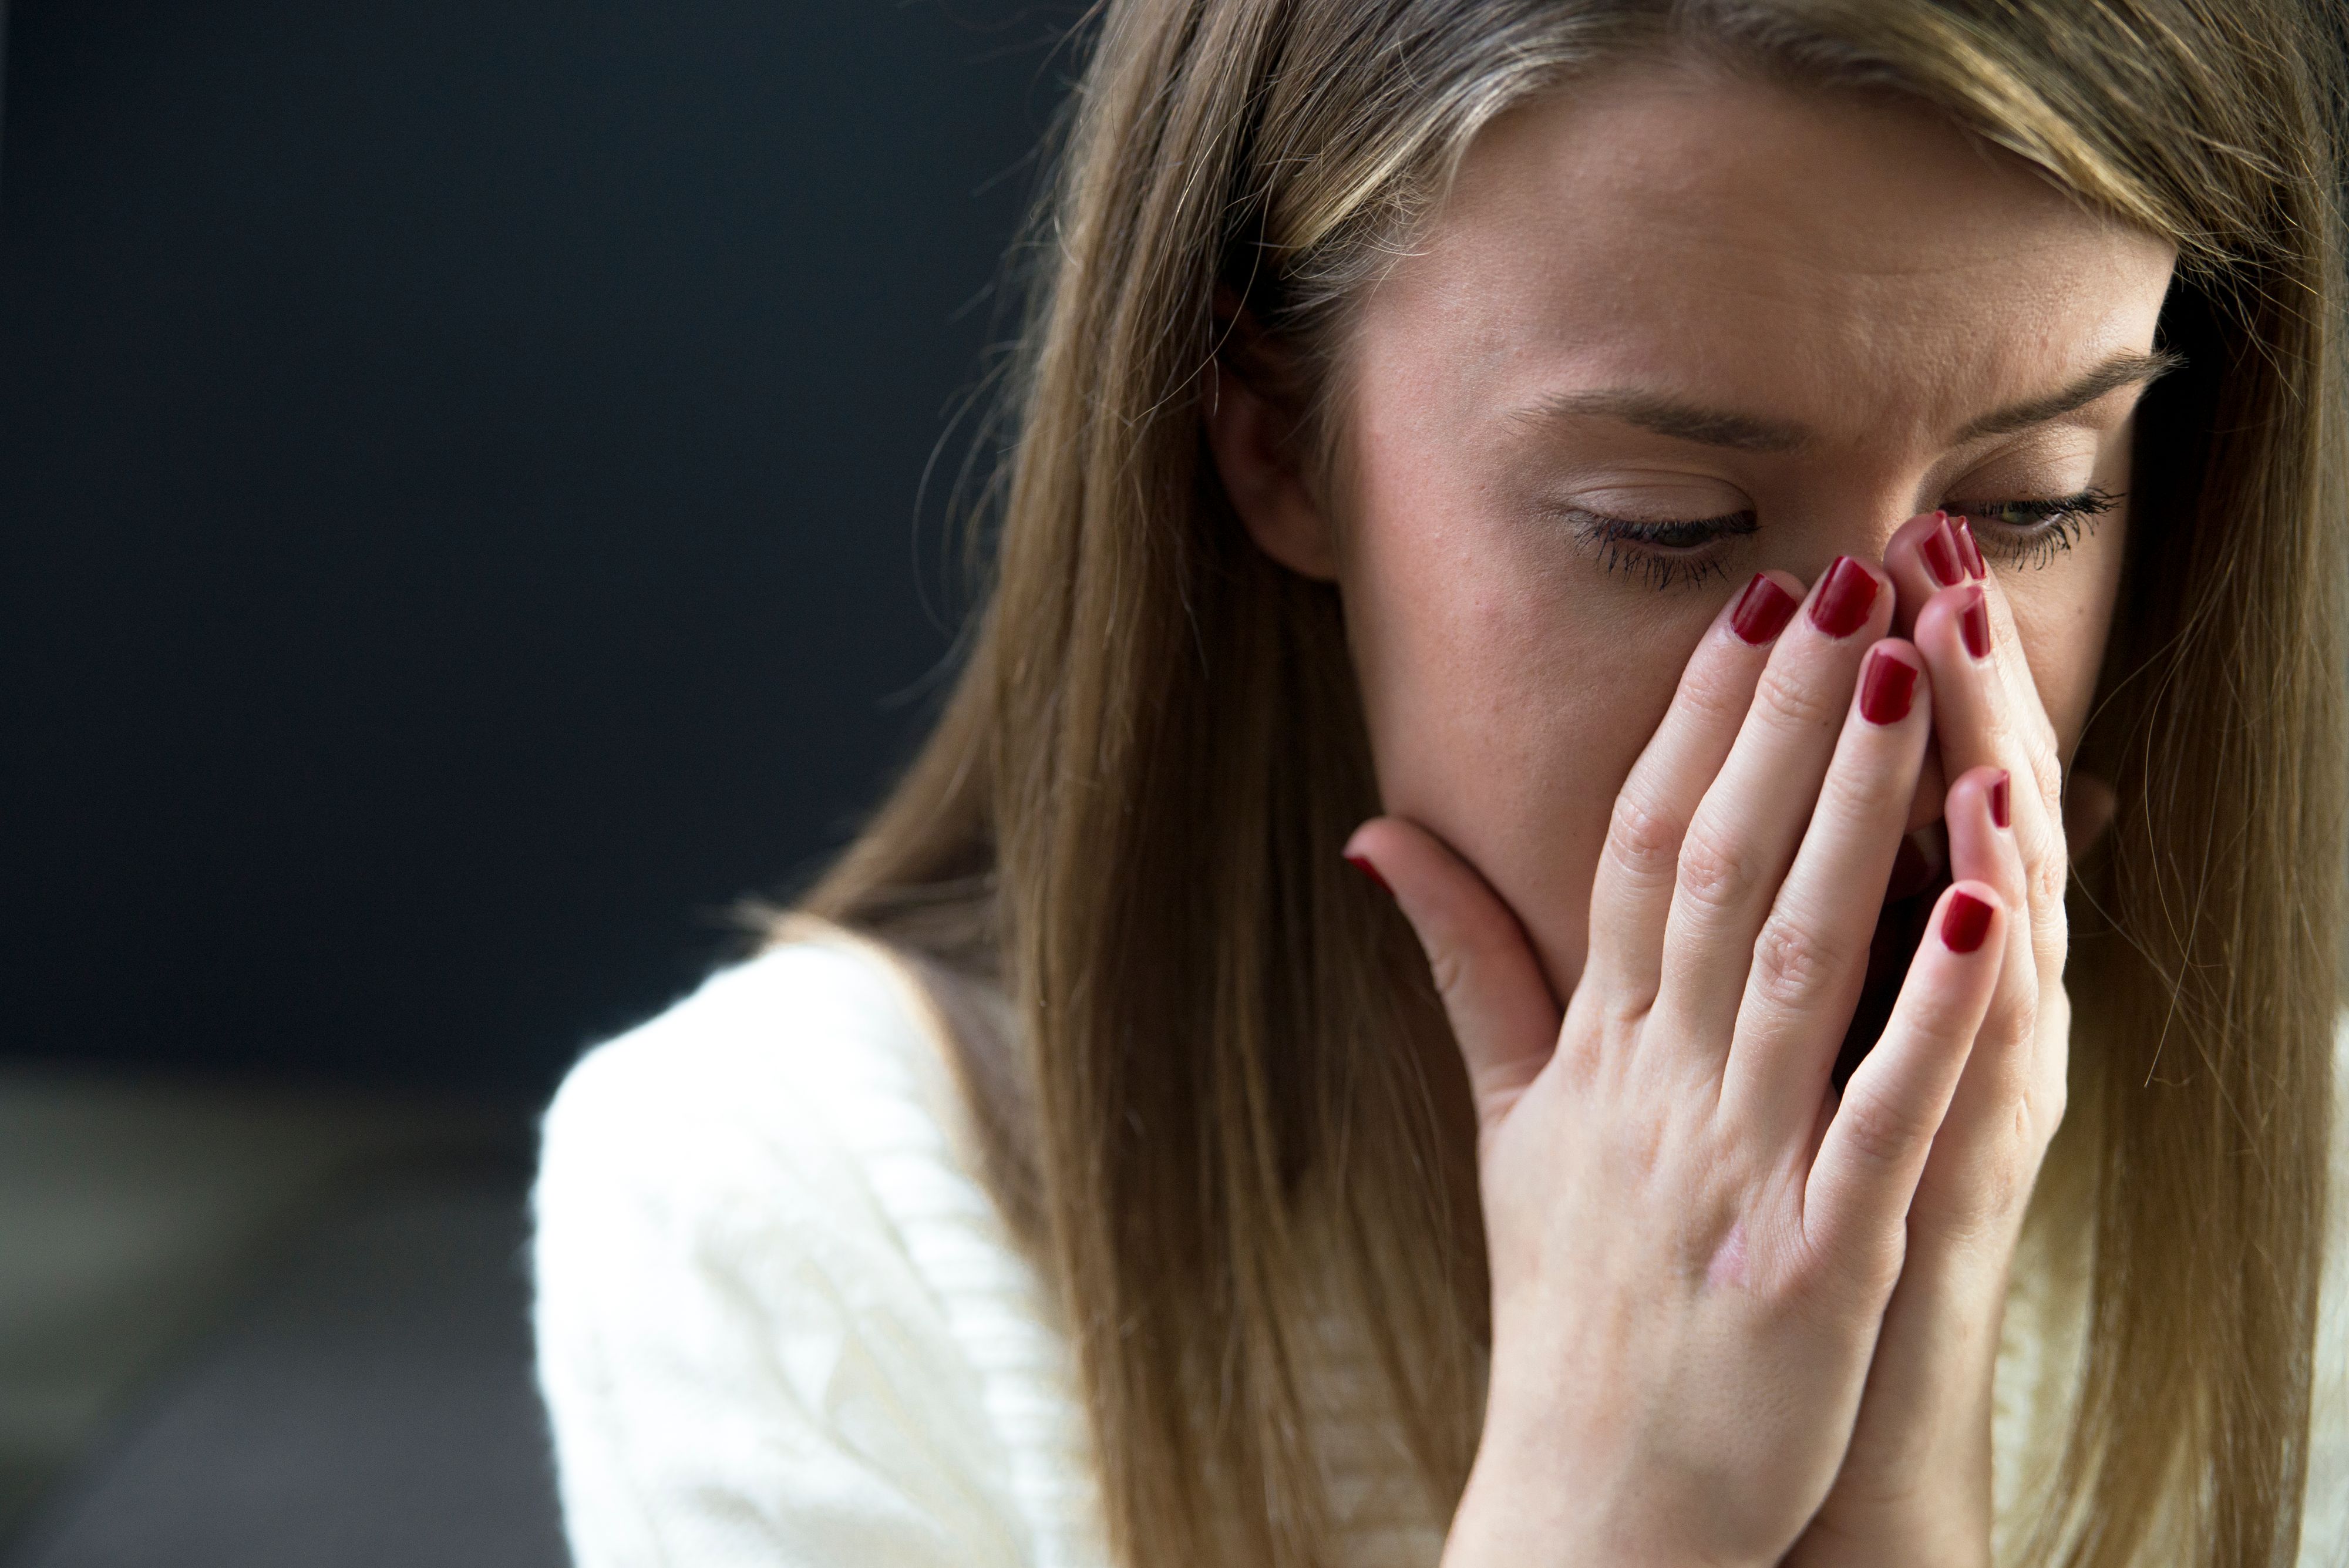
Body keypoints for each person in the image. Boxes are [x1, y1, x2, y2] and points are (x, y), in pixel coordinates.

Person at [530, 2, 2349, 1564]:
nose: (1870, 717)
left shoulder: (2318, 1180)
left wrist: (1897, 1501)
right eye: (1667, 524)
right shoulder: (792, 1215)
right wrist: (1607, 1513)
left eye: (2029, 504)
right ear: (1271, 439)